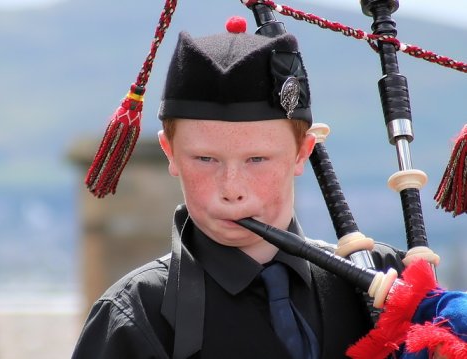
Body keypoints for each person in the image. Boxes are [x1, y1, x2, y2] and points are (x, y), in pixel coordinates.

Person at [71, 17, 406, 359]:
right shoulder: (134, 314)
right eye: (205, 159)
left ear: (301, 153)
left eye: (257, 159)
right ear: (170, 153)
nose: (232, 190)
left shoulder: (383, 275)